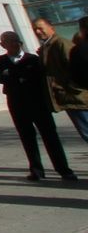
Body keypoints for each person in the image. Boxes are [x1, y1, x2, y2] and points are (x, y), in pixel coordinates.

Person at [0, 30, 77, 181]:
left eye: (16, 41)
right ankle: (36, 169)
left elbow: (40, 76)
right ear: (2, 45)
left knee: (50, 135)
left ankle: (63, 169)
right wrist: (14, 76)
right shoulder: (0, 60)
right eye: (9, 42)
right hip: (17, 103)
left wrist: (11, 75)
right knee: (27, 136)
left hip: (37, 102)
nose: (13, 44)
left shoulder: (32, 59)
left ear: (20, 43)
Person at [32, 16, 88, 145]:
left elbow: (77, 68)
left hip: (77, 97)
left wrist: (68, 87)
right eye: (35, 29)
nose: (38, 32)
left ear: (51, 28)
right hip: (70, 98)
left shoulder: (61, 43)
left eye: (41, 28)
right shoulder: (48, 46)